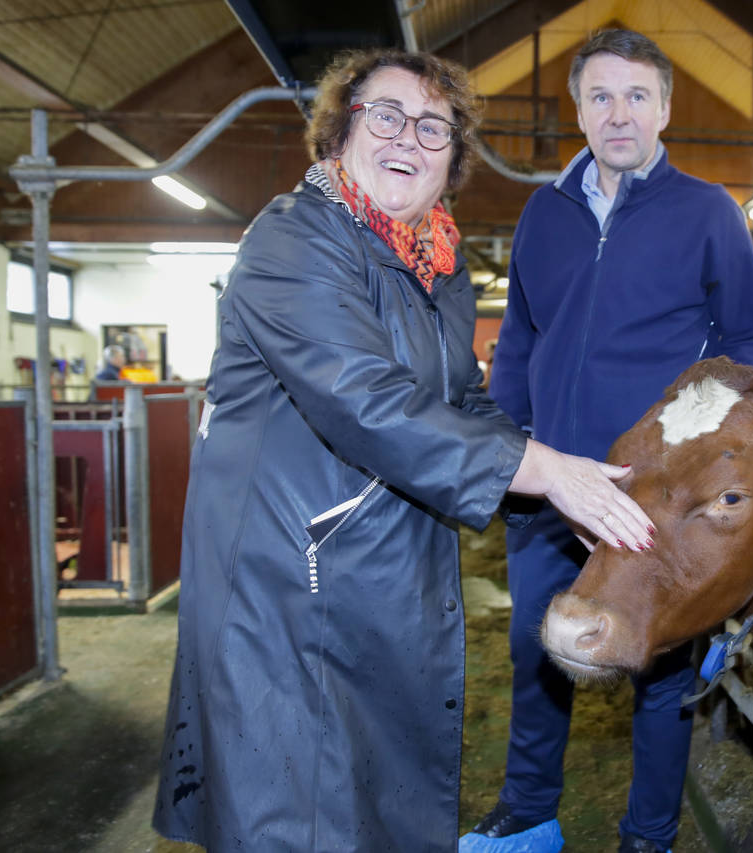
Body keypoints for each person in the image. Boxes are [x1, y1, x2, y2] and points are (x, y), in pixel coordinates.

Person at [151, 47, 654, 853]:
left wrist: (560, 481)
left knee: (372, 811)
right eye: (386, 116)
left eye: (434, 129)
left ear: (451, 162)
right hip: (288, 592)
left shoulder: (438, 265)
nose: (408, 140)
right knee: (298, 816)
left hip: (381, 581)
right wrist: (546, 473)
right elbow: (368, 402)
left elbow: (461, 400)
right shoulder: (294, 240)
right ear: (339, 131)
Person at [465, 29, 753, 853]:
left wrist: (695, 449)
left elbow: (752, 339)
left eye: (637, 96)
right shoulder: (546, 211)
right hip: (551, 478)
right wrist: (513, 456)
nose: (620, 113)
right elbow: (523, 341)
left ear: (666, 109)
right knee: (538, 641)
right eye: (601, 96)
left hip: (653, 493)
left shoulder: (709, 211)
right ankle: (530, 809)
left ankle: (647, 833)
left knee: (658, 664)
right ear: (578, 109)